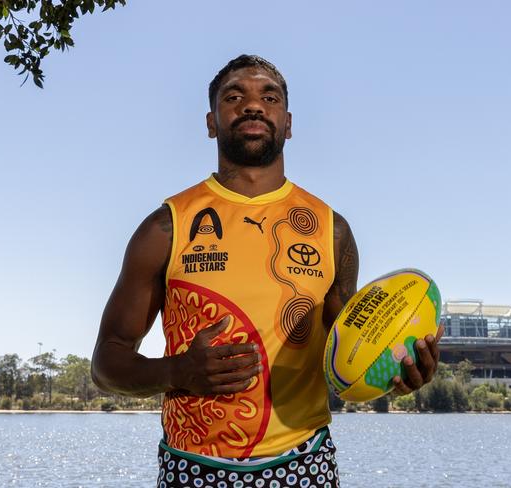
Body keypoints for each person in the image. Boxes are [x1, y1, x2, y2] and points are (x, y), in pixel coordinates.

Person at [91, 55, 443, 488]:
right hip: (193, 466)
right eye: (234, 96)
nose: (253, 105)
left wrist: (394, 374)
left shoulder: (332, 231)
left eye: (268, 97)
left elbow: (348, 357)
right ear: (211, 122)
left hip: (304, 464)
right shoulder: (166, 226)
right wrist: (175, 372)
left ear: (289, 123)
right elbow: (106, 362)